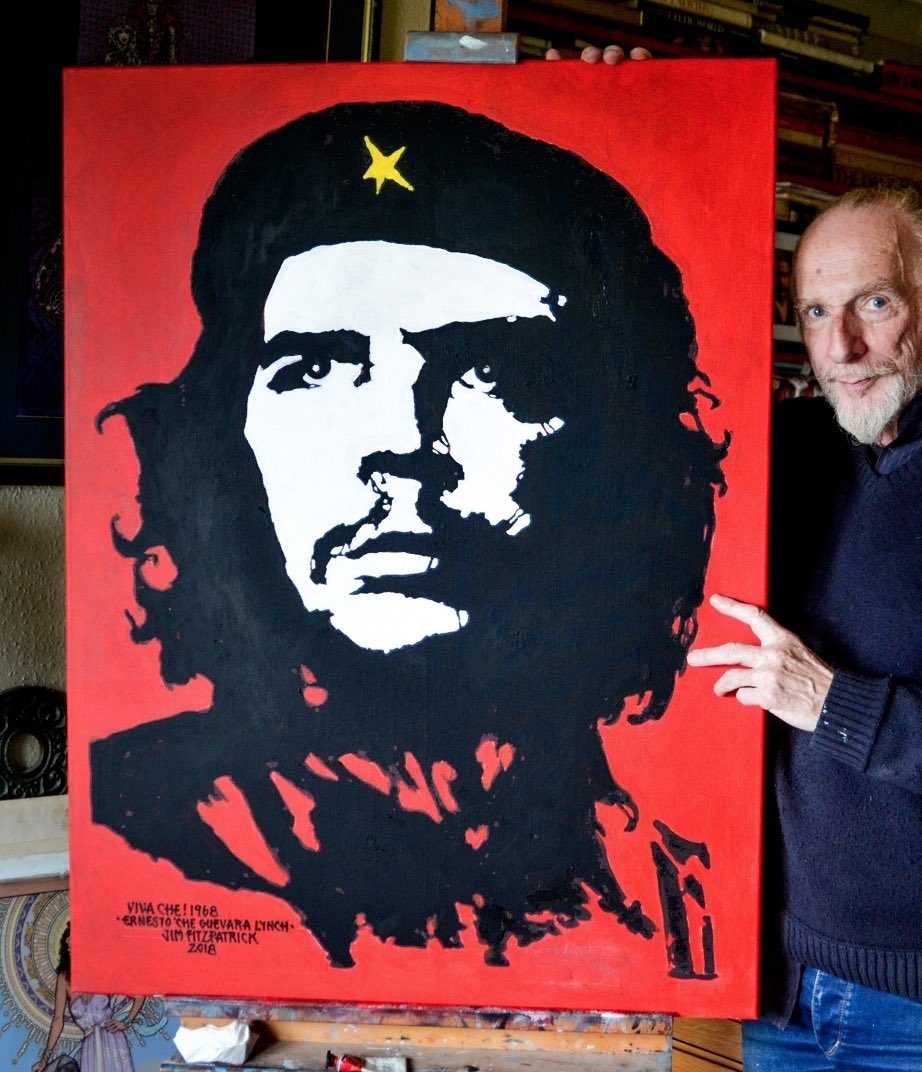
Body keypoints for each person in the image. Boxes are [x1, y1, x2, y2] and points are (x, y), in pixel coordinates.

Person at [90, 100, 729, 971]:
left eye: (491, 371)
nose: (401, 444)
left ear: (616, 451)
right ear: (226, 440)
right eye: (317, 367)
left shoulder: (679, 904)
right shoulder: (128, 837)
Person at [685, 183, 922, 1068]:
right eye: (817, 312)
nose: (841, 347)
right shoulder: (782, 450)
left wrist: (837, 705)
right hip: (776, 986)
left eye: (876, 304)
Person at [35, 924, 146, 1072]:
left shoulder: (102, 971)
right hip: (90, 1047)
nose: (71, 947)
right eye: (69, 943)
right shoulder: (64, 978)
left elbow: (139, 993)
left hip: (113, 1041)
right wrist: (44, 1059)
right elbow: (58, 1019)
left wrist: (126, 1022)